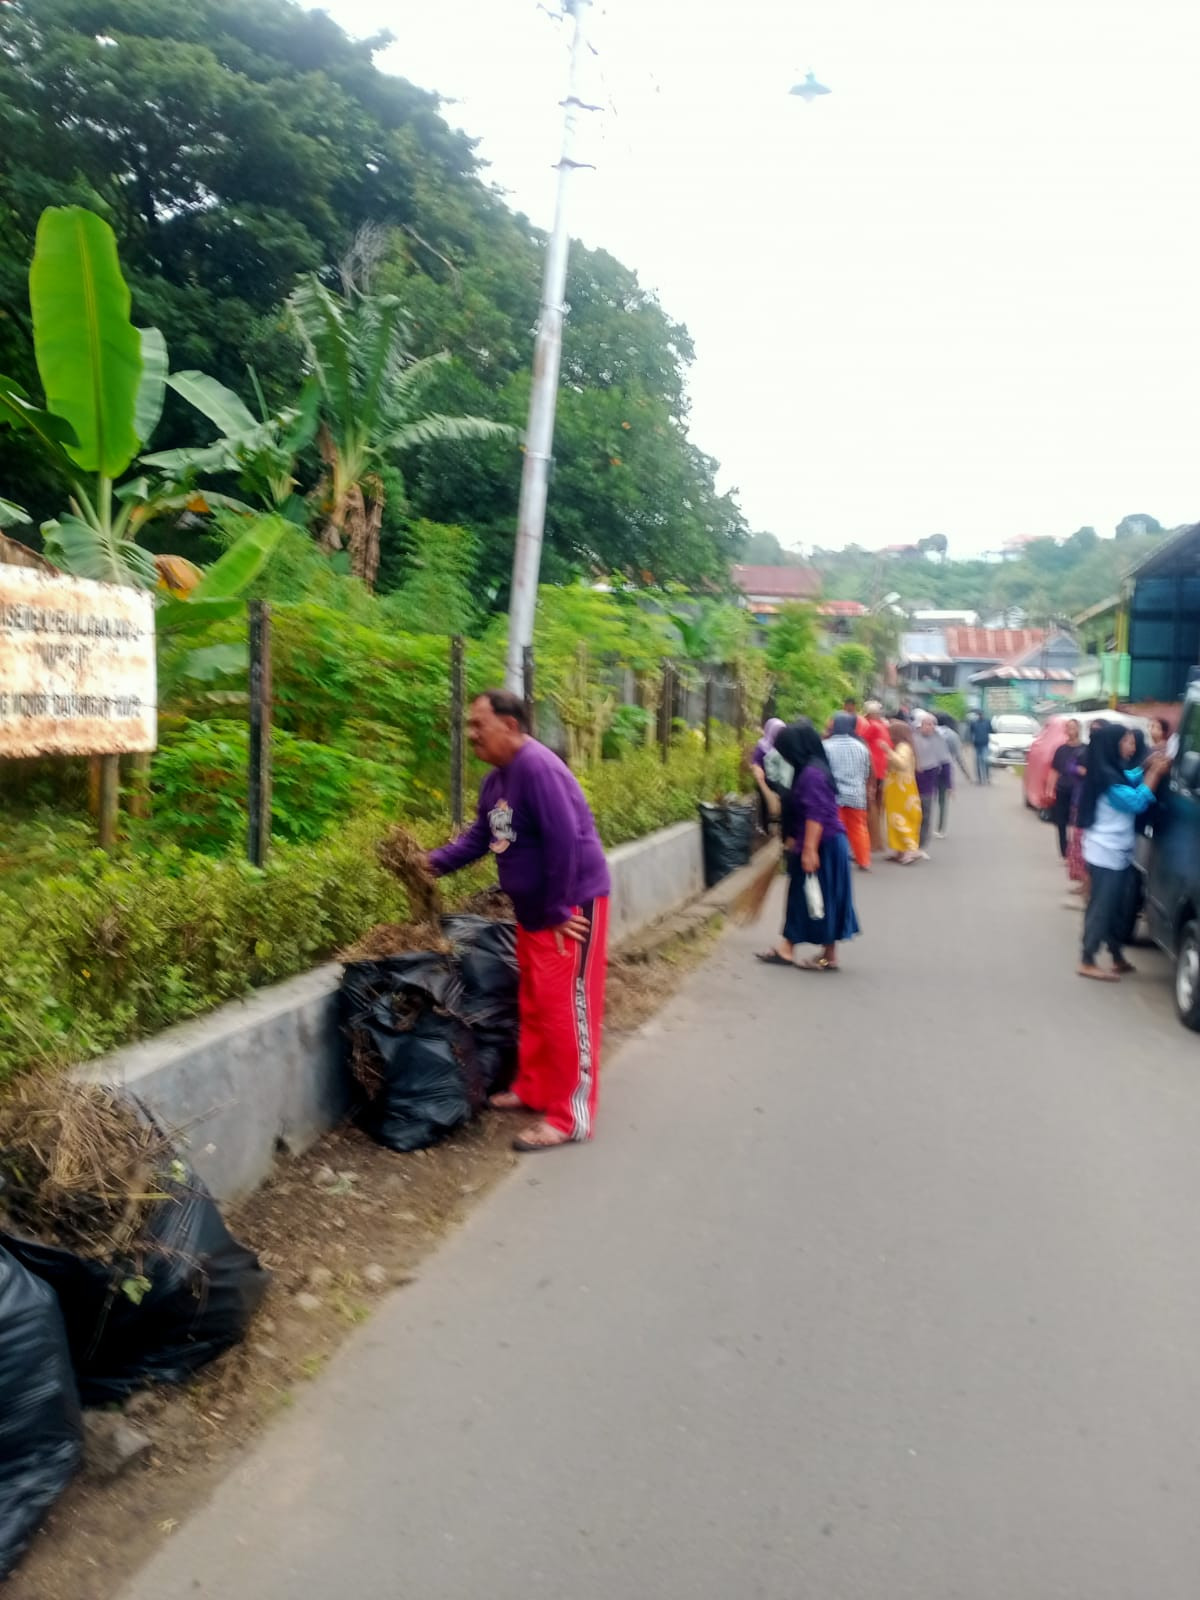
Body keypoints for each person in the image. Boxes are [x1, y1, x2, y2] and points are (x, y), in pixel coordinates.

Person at [427, 690, 610, 1151]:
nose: (471, 734)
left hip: (568, 909)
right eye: (470, 725)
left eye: (479, 724)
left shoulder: (538, 768)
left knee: (566, 1008)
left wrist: (558, 909)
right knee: (535, 1001)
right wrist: (429, 864)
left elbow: (565, 840)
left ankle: (570, 1116)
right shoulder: (497, 781)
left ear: (509, 725)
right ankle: (534, 1087)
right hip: (534, 911)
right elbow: (480, 838)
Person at [755, 720, 859, 971]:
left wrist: (810, 850)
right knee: (823, 897)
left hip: (822, 844)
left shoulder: (812, 774)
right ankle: (825, 954)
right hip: (827, 842)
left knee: (808, 896)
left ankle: (789, 949)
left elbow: (816, 814)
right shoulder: (814, 767)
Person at [1076, 722, 1168, 982]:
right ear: (1113, 745)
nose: (1132, 746)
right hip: (1106, 853)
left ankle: (1116, 956)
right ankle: (1087, 959)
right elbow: (1136, 801)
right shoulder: (1108, 779)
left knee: (1116, 908)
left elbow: (1130, 778)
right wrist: (1155, 774)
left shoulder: (1110, 771)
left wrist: (1146, 767)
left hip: (1116, 852)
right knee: (1102, 908)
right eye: (1126, 742)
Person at [823, 712, 873, 870]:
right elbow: (866, 772)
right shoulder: (861, 747)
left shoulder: (826, 746)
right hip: (856, 794)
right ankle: (864, 860)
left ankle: (838, 860)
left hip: (834, 795)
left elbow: (824, 771)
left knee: (835, 828)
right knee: (859, 828)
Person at [883, 718, 922, 864]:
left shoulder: (903, 747)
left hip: (902, 789)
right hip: (897, 788)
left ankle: (910, 850)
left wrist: (887, 751)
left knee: (903, 818)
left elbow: (901, 764)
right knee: (894, 819)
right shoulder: (900, 746)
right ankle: (899, 849)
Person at [913, 712, 950, 851]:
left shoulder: (939, 740)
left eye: (932, 724)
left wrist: (949, 784)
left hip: (929, 785)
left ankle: (921, 845)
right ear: (921, 725)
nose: (930, 727)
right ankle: (910, 842)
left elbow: (946, 763)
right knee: (912, 814)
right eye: (927, 724)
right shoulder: (913, 739)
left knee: (926, 815)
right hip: (912, 783)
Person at [1049, 719, 1086, 859]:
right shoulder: (1061, 750)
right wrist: (1050, 788)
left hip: (1079, 791)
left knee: (1077, 822)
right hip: (1062, 789)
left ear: (1078, 729)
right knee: (1061, 821)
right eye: (1068, 728)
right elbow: (1054, 770)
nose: (1070, 731)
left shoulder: (1085, 749)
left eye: (1073, 728)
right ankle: (1064, 851)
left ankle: (1076, 850)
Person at [861, 700, 894, 852]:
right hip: (883, 769)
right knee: (879, 805)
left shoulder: (871, 726)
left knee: (870, 804)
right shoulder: (883, 726)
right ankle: (878, 840)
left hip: (873, 770)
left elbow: (860, 739)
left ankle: (873, 841)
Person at [749, 717, 787, 833]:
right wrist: (758, 771)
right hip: (765, 780)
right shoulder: (762, 746)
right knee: (764, 802)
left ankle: (783, 824)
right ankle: (764, 827)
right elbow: (755, 762)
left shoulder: (785, 745)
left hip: (781, 780)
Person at [968, 710, 992, 783]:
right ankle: (979, 779)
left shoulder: (987, 722)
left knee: (985, 761)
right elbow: (971, 732)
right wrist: (970, 741)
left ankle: (987, 778)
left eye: (981, 714)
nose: (980, 716)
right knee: (978, 762)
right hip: (977, 744)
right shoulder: (974, 723)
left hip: (985, 744)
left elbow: (991, 731)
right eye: (979, 715)